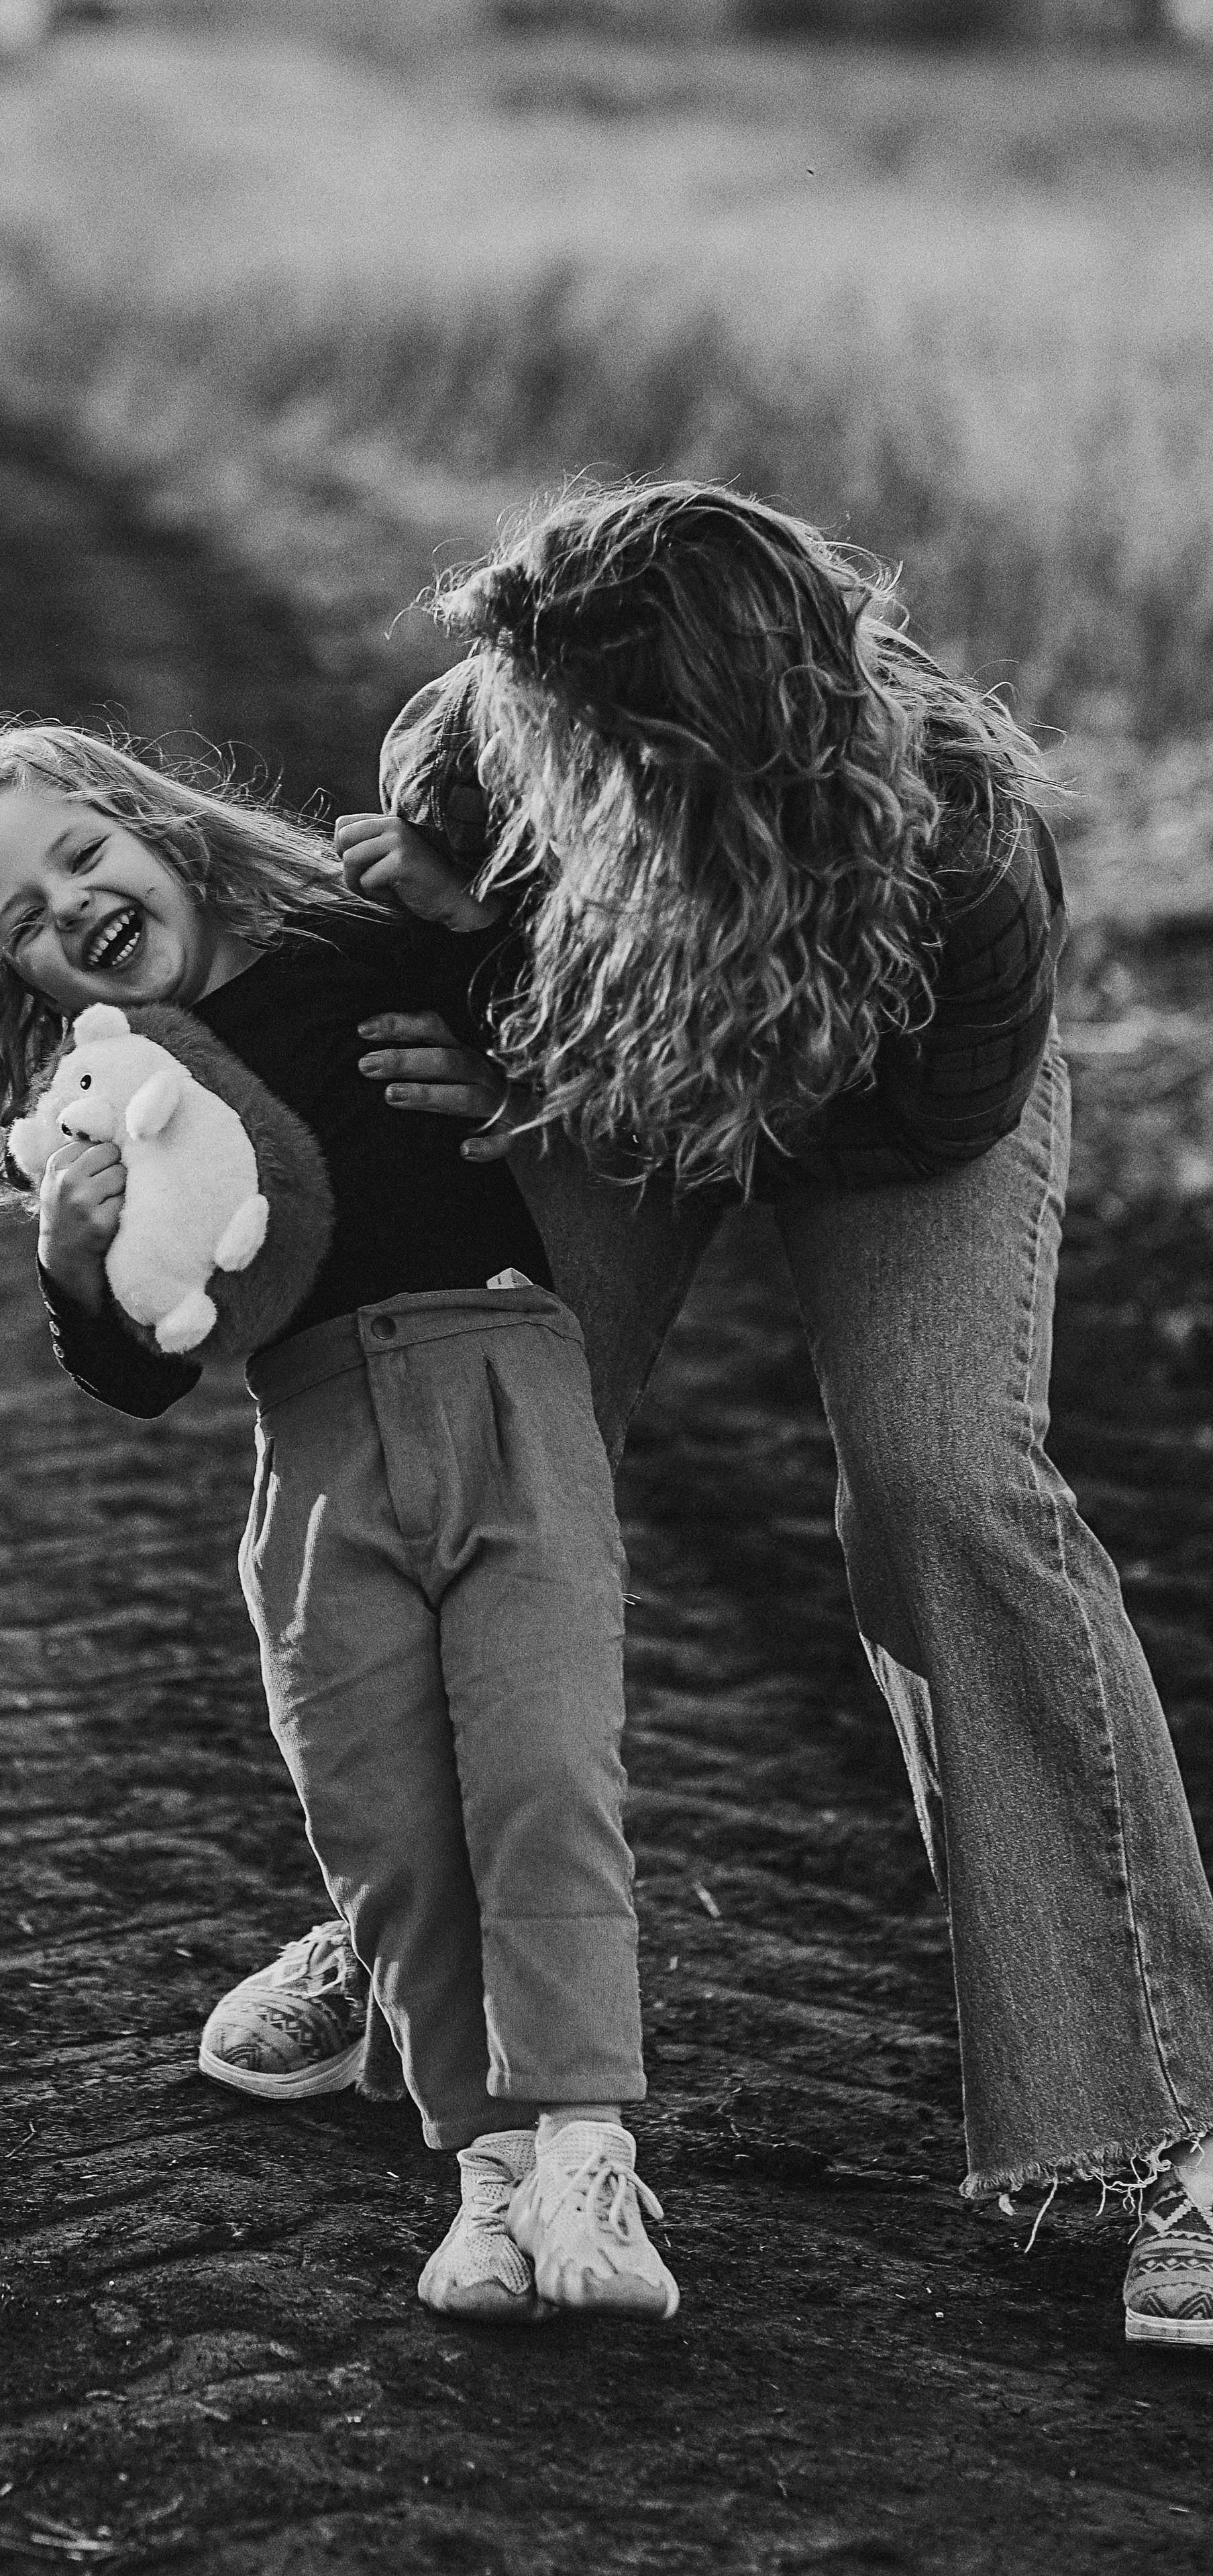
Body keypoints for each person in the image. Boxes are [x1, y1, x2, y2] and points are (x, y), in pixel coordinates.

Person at [201, 480, 1213, 2352]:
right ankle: (420, 1944)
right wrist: (475, 1031)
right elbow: (417, 947)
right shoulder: (480, 744)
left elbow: (927, 1127)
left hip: (884, 1107)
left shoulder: (962, 863)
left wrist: (629, 1089)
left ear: (691, 755)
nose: (504, 745)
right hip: (611, 1057)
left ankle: (1167, 2118)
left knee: (943, 1489)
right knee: (484, 1423)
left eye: (563, 739)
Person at [0, 716, 682, 2324]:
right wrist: (72, 1268)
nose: (68, 904)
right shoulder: (107, 1106)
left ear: (149, 829)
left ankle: (586, 2145)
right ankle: (485, 2176)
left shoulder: (364, 943)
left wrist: (513, 1076)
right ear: (19, 978)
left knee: (539, 1773)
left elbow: (583, 1006)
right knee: (387, 1830)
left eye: (79, 855)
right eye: (22, 918)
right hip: (311, 1453)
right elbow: (140, 1375)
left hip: (499, 1382)